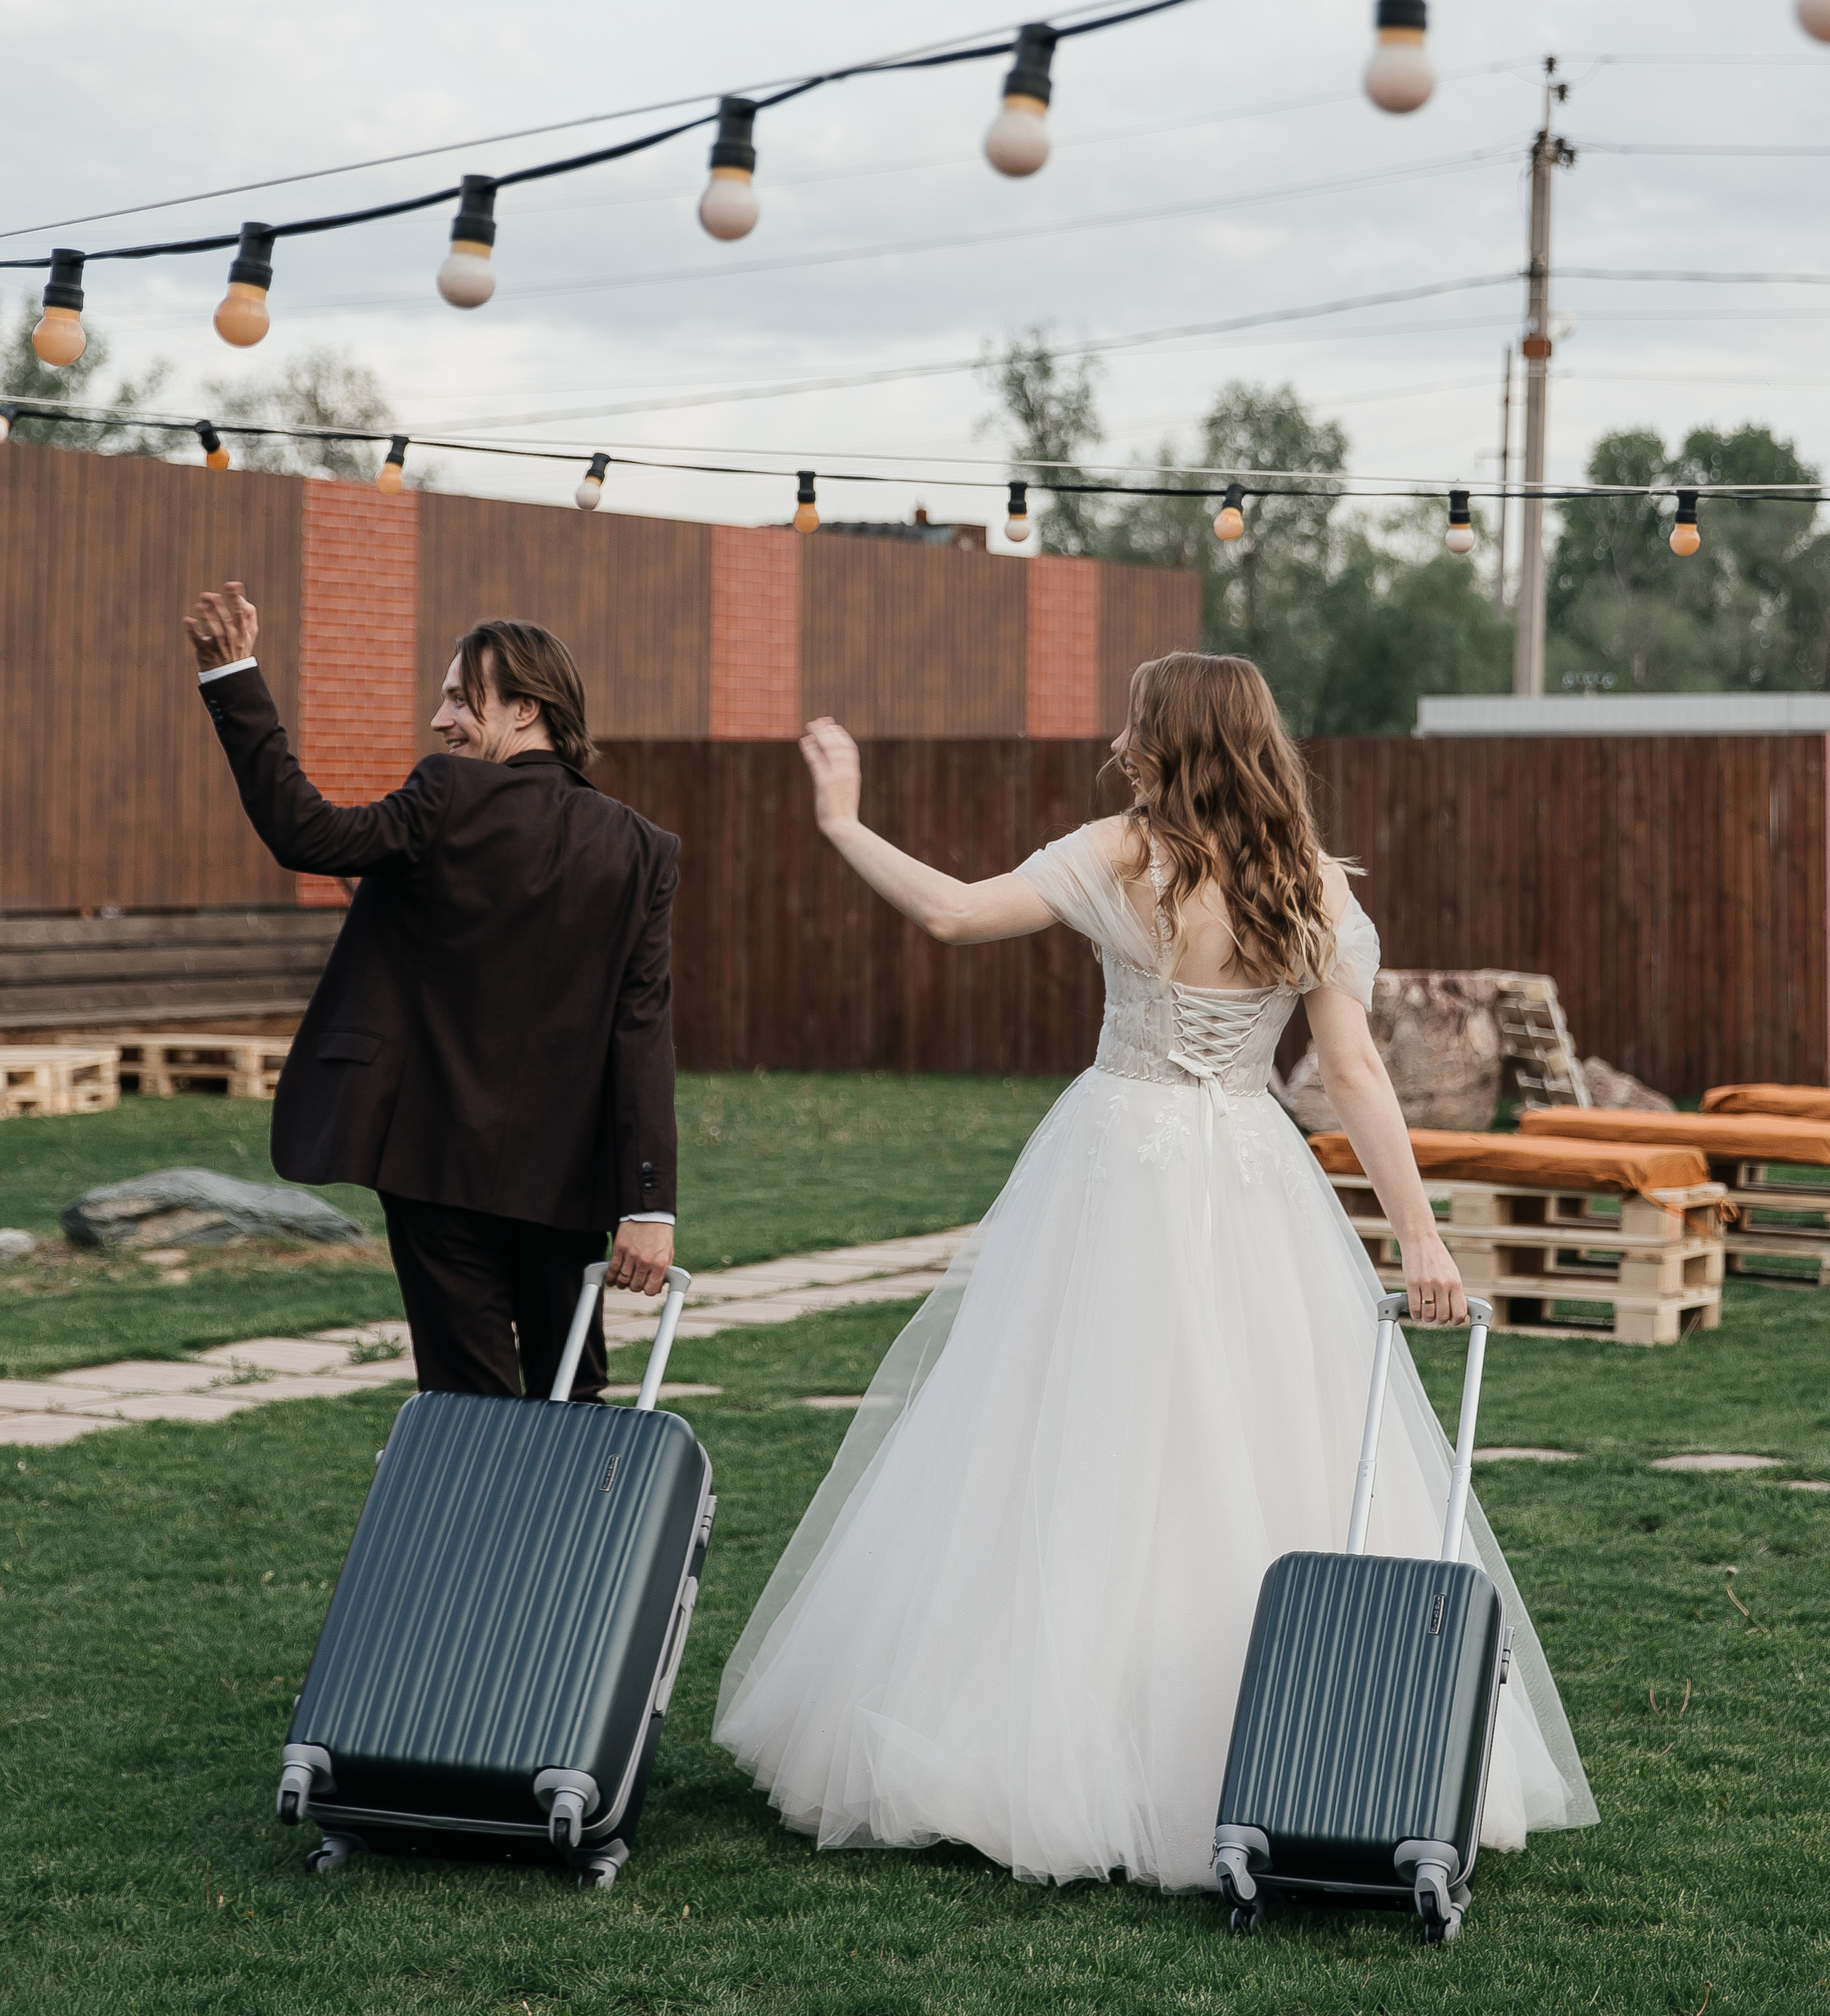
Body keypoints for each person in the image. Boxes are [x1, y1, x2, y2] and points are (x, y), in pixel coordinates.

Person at [716, 652, 1596, 1889]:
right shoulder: (1314, 889)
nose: (1121, 744)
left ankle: (1079, 1741)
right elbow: (1352, 1074)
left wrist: (843, 821)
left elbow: (954, 913)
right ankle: (1291, 1751)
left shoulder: (1122, 856)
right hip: (1250, 1170)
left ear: (1171, 743)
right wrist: (1421, 1235)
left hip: (1115, 1163)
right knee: (1253, 1433)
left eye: (1137, 727)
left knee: (1072, 1434)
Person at [183, 583, 680, 1399]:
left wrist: (232, 675)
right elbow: (643, 1036)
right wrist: (649, 1206)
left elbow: (307, 832)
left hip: (433, 1162)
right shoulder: (643, 849)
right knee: (572, 1398)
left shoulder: (449, 794)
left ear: (525, 709)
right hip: (568, 1179)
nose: (440, 719)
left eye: (458, 698)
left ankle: (472, 1491)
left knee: (466, 1403)